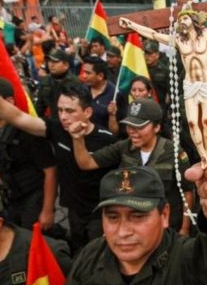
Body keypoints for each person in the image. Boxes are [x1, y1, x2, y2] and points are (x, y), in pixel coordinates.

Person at [58, 160, 207, 285]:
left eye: (138, 217)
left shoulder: (185, 261)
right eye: (113, 217)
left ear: (164, 215)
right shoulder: (91, 256)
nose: (123, 232)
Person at [0, 76, 116, 250]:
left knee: (99, 254)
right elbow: (17, 117)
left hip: (100, 213)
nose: (63, 117)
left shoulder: (106, 140)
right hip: (74, 210)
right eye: (60, 110)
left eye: (70, 111)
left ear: (88, 112)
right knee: (80, 251)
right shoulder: (57, 129)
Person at [119, 0, 207, 168]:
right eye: (180, 19)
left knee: (206, 120)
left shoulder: (205, 36)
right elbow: (153, 34)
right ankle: (203, 155)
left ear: (193, 19)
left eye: (185, 18)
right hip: (189, 85)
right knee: (192, 123)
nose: (182, 21)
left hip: (205, 83)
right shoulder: (178, 40)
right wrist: (132, 25)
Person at [70, 98, 195, 235]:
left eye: (139, 126)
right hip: (135, 226)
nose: (132, 131)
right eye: (129, 126)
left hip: (166, 227)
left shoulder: (174, 152)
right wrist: (77, 139)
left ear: (157, 127)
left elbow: (188, 192)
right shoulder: (124, 146)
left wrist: (185, 228)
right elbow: (86, 163)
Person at [0, 77, 57, 230]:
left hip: (32, 195)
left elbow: (50, 171)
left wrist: (47, 210)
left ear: (9, 101)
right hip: (6, 196)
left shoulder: (27, 131)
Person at [82, 56, 127, 135]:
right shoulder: (82, 89)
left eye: (88, 73)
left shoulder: (115, 95)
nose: (84, 76)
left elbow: (116, 132)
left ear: (100, 76)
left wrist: (111, 115)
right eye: (84, 72)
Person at [36, 48, 81, 119]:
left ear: (66, 65)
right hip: (53, 122)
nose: (51, 64)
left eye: (55, 61)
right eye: (49, 61)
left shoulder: (75, 83)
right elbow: (39, 107)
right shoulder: (45, 81)